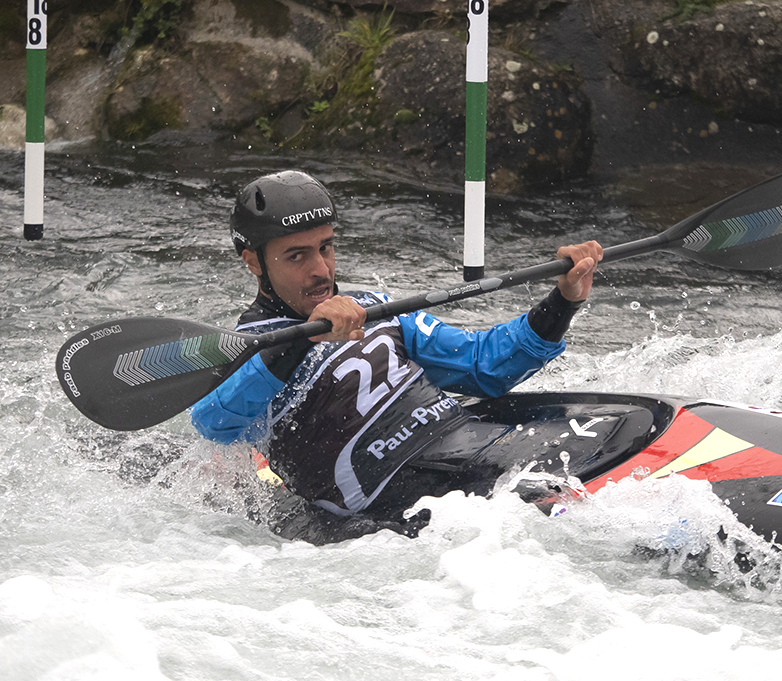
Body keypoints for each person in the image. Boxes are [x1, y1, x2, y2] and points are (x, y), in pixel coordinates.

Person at [190, 170, 603, 544]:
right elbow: (214, 421)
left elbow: (482, 366)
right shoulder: (247, 348)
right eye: (297, 256)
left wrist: (563, 301)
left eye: (326, 248)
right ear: (253, 262)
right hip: (390, 515)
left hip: (465, 451)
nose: (321, 270)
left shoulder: (375, 307)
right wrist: (303, 340)